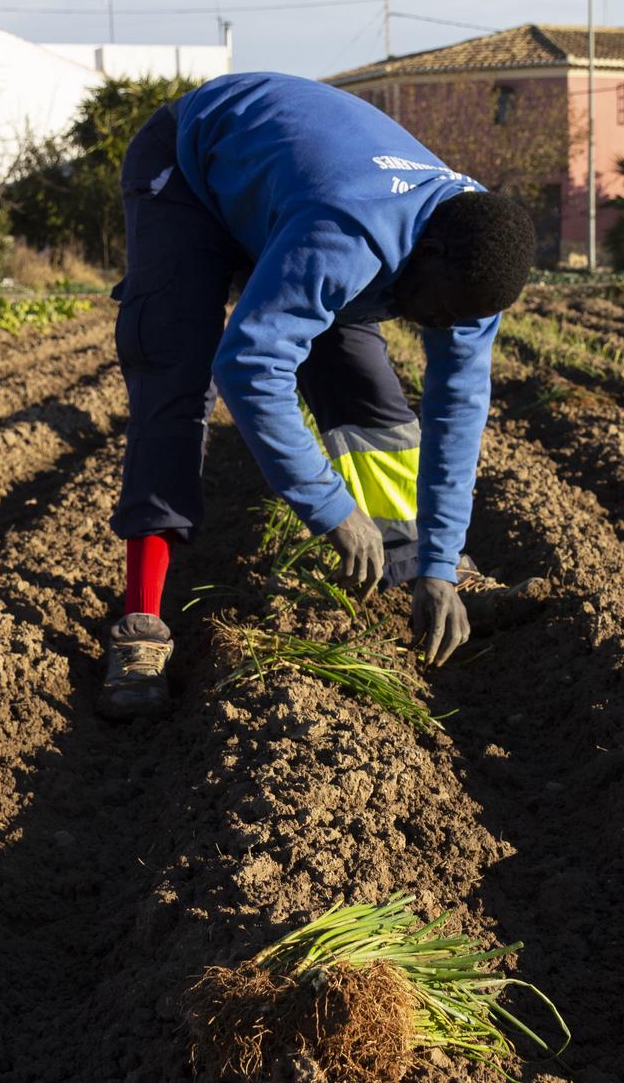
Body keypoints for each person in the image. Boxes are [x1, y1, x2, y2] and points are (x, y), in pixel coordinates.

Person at [101, 72, 539, 719]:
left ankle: (415, 561)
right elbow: (251, 364)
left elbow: (457, 414)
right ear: (431, 252)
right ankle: (141, 623)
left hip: (299, 197)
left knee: (364, 385)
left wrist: (442, 564)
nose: (441, 329)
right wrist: (330, 507)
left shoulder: (475, 262)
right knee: (176, 373)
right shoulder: (349, 230)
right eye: (440, 311)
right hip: (188, 168)